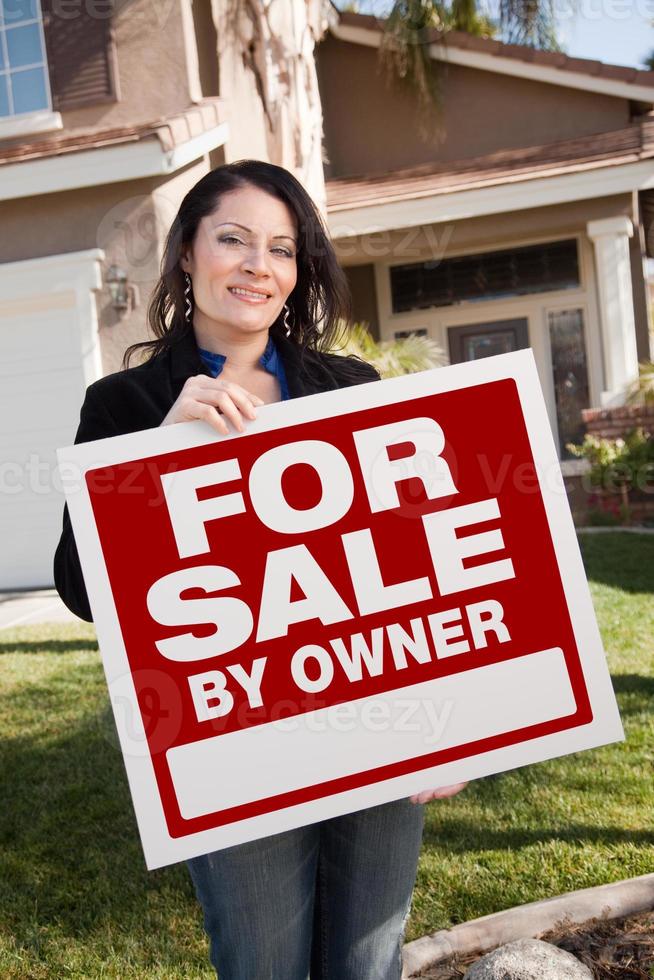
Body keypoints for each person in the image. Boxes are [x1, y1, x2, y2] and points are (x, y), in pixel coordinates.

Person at [53, 159, 466, 980]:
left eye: (281, 249)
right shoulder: (124, 405)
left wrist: (446, 724)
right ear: (186, 256)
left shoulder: (350, 388)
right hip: (232, 741)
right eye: (233, 239)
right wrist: (158, 458)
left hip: (373, 719)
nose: (256, 265)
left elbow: (413, 563)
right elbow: (79, 587)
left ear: (296, 273)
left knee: (367, 963)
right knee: (263, 964)